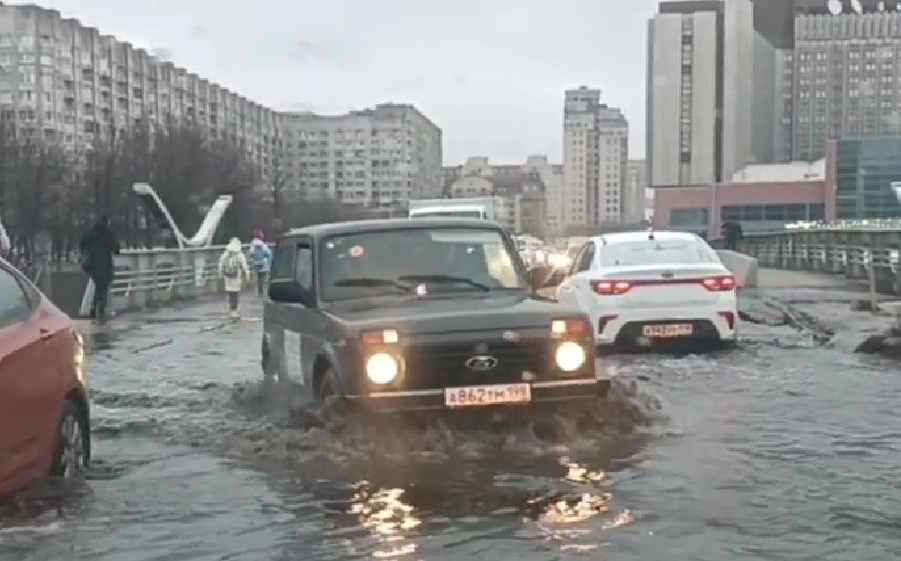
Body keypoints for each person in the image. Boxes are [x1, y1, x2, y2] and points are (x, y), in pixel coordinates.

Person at [79, 215, 120, 322]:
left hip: (92, 265)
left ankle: (93, 308)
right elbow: (115, 248)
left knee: (98, 286)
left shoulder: (90, 234)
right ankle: (100, 309)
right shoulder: (108, 234)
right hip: (105, 264)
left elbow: (82, 245)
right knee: (103, 288)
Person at [219, 237, 250, 319]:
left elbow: (221, 264)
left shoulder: (225, 253)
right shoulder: (239, 254)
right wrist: (247, 275)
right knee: (235, 293)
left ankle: (231, 308)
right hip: (236, 276)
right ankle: (234, 309)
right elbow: (244, 266)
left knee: (230, 293)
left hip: (227, 277)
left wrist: (221, 274)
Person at [248, 230, 272, 297]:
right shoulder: (264, 245)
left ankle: (258, 295)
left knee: (257, 281)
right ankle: (265, 295)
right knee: (265, 281)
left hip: (255, 265)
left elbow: (250, 256)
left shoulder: (252, 246)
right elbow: (269, 255)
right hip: (264, 266)